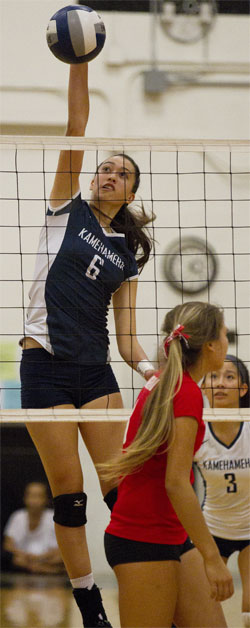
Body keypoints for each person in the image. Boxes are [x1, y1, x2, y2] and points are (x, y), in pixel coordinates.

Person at [19, 63, 155, 628]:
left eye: (120, 173)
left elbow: (126, 341)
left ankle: (146, 584)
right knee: (70, 497)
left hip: (96, 375)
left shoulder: (127, 254)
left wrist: (153, 372)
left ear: (129, 192)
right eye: (104, 168)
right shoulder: (64, 210)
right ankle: (91, 609)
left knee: (120, 492)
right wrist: (80, 62)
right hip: (45, 369)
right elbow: (76, 126)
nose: (108, 174)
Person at [100, 301, 234, 628]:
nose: (227, 340)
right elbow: (175, 483)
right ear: (212, 345)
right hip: (142, 538)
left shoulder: (164, 381)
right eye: (224, 333)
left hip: (172, 534)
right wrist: (214, 558)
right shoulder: (184, 391)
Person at [194, 355, 250, 628]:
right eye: (214, 376)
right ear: (203, 387)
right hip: (212, 530)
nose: (220, 383)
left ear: (243, 388)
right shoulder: (195, 432)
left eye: (229, 377)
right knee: (202, 608)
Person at [3, 482, 65, 574]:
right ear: (25, 498)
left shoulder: (54, 517)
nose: (35, 500)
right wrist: (25, 555)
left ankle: (38, 568)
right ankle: (46, 570)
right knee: (15, 559)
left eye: (39, 496)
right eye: (31, 496)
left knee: (61, 557)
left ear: (46, 499)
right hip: (25, 559)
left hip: (47, 558)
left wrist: (42, 557)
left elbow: (63, 546)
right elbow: (8, 545)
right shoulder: (17, 516)